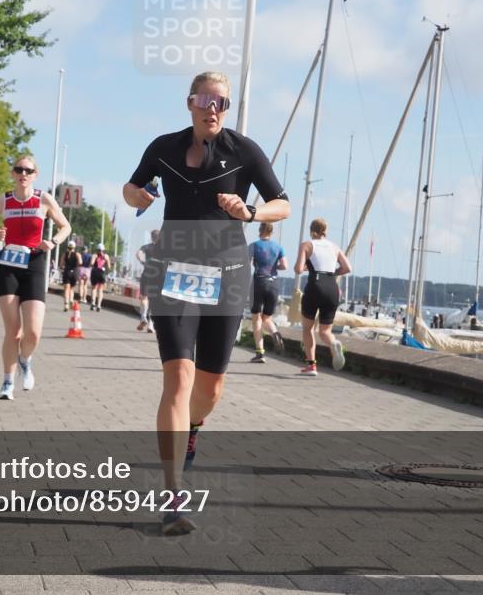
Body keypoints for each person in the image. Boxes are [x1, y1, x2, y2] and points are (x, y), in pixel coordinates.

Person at [123, 70, 289, 535]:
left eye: (222, 102)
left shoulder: (245, 151)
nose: (213, 109)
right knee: (179, 377)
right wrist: (138, 195)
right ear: (190, 102)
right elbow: (130, 188)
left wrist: (250, 211)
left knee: (210, 388)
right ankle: (173, 495)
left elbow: (282, 203)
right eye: (205, 100)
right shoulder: (164, 147)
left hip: (228, 274)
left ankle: (193, 428)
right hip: (173, 271)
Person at [0, 155, 71, 400]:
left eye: (28, 170)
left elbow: (66, 227)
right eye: (19, 170)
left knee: (33, 333)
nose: (23, 174)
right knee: (13, 331)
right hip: (8, 265)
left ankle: (25, 360)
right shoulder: (3, 200)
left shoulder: (43, 199)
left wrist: (53, 241)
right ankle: (7, 382)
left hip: (34, 263)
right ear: (13, 173)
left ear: (35, 175)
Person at [294, 218, 352, 376]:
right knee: (325, 331)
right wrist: (333, 273)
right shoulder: (334, 247)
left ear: (311, 230)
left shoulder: (307, 245)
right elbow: (347, 268)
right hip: (332, 287)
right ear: (325, 231)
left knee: (308, 328)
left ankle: (311, 366)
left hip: (315, 286)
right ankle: (333, 342)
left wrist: (306, 267)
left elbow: (298, 269)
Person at [248, 222, 287, 363]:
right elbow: (284, 265)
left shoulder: (254, 246)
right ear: (272, 232)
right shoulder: (278, 247)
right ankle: (274, 332)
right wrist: (273, 267)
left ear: (260, 230)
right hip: (274, 284)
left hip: (259, 282)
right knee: (266, 318)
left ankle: (260, 353)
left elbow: (246, 263)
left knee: (256, 318)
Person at [136, 230, 161, 333]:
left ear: (151, 237)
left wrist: (142, 261)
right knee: (154, 301)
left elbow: (138, 254)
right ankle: (151, 325)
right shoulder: (163, 248)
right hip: (158, 276)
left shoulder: (146, 247)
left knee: (144, 297)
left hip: (146, 274)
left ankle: (143, 317)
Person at [89, 243, 111, 311]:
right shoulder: (106, 256)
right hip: (102, 273)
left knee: (94, 288)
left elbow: (91, 263)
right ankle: (99, 305)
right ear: (104, 249)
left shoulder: (95, 255)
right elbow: (109, 267)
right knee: (100, 290)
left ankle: (93, 303)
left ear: (97, 249)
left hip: (95, 272)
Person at [62, 240, 81, 311]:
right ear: (74, 247)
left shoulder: (65, 254)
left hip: (67, 271)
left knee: (66, 289)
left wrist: (65, 265)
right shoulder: (77, 254)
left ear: (68, 247)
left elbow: (61, 264)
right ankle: (71, 300)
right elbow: (80, 262)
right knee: (72, 288)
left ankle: (66, 304)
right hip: (75, 272)